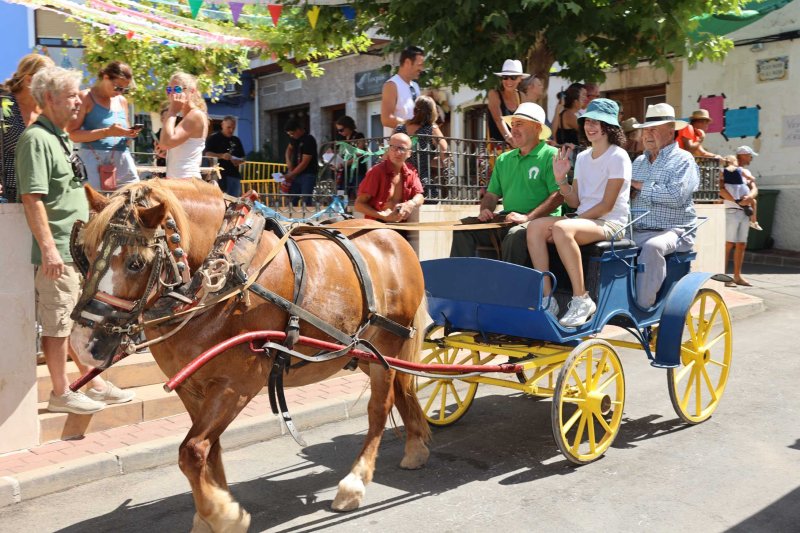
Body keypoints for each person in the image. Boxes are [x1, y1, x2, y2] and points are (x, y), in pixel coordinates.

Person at [16, 66, 134, 414]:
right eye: (71, 95)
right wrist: (50, 248)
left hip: (78, 248)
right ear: (50, 98)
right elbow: (32, 198)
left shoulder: (61, 136)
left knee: (76, 320)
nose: (78, 100)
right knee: (57, 323)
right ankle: (60, 392)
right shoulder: (36, 139)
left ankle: (90, 381)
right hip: (59, 252)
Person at [527, 99, 631, 327]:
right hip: (585, 221)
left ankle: (581, 299)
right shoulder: (583, 157)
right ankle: (548, 298)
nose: (590, 126)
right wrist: (561, 180)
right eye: (588, 121)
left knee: (563, 228)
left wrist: (571, 222)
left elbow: (607, 205)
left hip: (611, 224)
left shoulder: (618, 156)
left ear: (609, 126)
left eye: (597, 122)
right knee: (533, 227)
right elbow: (574, 200)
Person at [450, 102, 562, 265]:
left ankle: (509, 288)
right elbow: (492, 194)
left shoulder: (551, 155)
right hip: (508, 219)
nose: (513, 130)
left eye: (520, 124)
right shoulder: (504, 159)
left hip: (540, 223)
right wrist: (486, 210)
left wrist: (527, 217)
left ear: (537, 128)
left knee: (514, 236)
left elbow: (559, 195)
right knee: (463, 228)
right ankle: (459, 285)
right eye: (512, 124)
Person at [630, 103, 699, 308]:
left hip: (675, 230)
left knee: (653, 247)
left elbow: (676, 196)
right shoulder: (638, 162)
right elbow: (629, 193)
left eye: (654, 129)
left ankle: (642, 306)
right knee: (608, 246)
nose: (647, 134)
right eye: (646, 129)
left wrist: (638, 186)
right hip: (637, 228)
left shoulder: (683, 159)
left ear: (671, 131)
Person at [67, 61, 140, 192]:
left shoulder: (122, 101)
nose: (120, 92)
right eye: (117, 87)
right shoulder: (85, 97)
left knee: (134, 199)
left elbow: (124, 131)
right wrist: (106, 132)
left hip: (122, 160)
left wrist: (129, 134)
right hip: (92, 160)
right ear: (105, 77)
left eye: (125, 89)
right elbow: (72, 134)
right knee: (95, 206)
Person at [0, 54, 55, 202]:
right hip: (8, 194)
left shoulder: (48, 110)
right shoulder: (4, 104)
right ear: (29, 80)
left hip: (43, 193)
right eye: (47, 81)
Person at [354, 132, 424, 222]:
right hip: (377, 225)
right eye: (393, 148)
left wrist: (411, 203)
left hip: (401, 226)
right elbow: (358, 204)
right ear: (388, 150)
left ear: (409, 153)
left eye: (402, 149)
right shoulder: (376, 172)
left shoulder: (411, 171)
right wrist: (382, 216)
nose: (397, 152)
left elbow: (420, 196)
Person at [394, 95, 448, 196]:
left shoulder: (399, 128)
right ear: (432, 112)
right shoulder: (431, 129)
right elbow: (445, 154)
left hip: (399, 180)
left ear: (414, 110)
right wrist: (426, 161)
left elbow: (390, 151)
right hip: (421, 181)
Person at [159, 72, 209, 180]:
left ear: (191, 91)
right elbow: (168, 145)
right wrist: (167, 153)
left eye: (177, 89)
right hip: (177, 180)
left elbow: (165, 143)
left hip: (186, 181)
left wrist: (172, 111)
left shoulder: (195, 115)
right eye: (169, 90)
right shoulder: (186, 117)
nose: (172, 94)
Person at [720, 154, 760, 287]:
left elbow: (754, 188)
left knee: (741, 244)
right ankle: (724, 277)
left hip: (744, 213)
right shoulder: (723, 172)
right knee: (728, 244)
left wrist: (749, 197)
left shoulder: (745, 172)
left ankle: (737, 276)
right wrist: (738, 201)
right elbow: (720, 190)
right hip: (731, 211)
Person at [381, 46, 424, 138]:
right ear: (408, 62)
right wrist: (413, 127)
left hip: (414, 145)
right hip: (397, 148)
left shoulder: (415, 86)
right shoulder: (391, 85)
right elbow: (386, 119)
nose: (422, 69)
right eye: (419, 65)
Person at [486, 59, 528, 146]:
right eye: (505, 77)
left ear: (520, 79)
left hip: (518, 149)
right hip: (497, 151)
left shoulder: (522, 96)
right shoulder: (494, 94)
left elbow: (526, 122)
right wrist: (509, 137)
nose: (509, 81)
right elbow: (499, 119)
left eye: (513, 77)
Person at [204, 115, 246, 196]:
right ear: (222, 125)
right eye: (229, 127)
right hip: (219, 176)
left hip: (234, 176)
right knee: (221, 200)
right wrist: (222, 156)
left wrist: (238, 161)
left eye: (233, 128)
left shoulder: (236, 140)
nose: (231, 130)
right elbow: (207, 154)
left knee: (235, 202)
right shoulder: (214, 138)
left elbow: (243, 157)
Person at [283, 119, 318, 206]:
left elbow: (304, 162)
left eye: (292, 133)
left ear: (298, 130)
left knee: (306, 200)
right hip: (295, 174)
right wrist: (289, 162)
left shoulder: (309, 140)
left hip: (308, 174)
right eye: (289, 134)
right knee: (292, 200)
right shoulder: (294, 139)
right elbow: (289, 149)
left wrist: (290, 174)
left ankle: (307, 219)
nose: (291, 136)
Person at [334, 115, 366, 196]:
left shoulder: (359, 136)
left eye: (341, 130)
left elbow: (359, 153)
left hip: (357, 171)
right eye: (338, 130)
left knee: (358, 194)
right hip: (345, 173)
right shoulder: (341, 138)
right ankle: (343, 208)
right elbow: (338, 153)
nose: (339, 132)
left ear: (348, 127)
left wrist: (344, 164)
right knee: (342, 195)